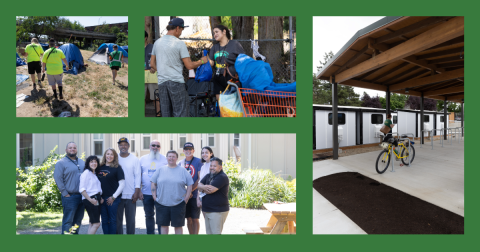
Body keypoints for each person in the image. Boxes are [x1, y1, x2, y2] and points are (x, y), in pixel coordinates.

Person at [149, 18, 208, 117]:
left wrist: (163, 72)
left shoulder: (157, 42)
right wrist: (202, 61)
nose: (181, 32)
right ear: (177, 28)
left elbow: (152, 64)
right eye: (181, 29)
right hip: (176, 82)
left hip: (162, 83)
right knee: (180, 114)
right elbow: (189, 65)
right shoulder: (179, 43)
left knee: (166, 114)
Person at [151, 150, 193, 235]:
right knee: (163, 226)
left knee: (178, 226)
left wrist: (186, 198)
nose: (171, 158)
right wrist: (154, 197)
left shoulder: (183, 170)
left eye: (173, 156)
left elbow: (190, 184)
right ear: (166, 158)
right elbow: (153, 183)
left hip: (178, 203)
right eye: (169, 156)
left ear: (177, 158)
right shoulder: (160, 170)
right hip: (162, 203)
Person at [53, 142, 85, 234]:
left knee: (77, 222)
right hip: (69, 197)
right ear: (66, 150)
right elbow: (58, 178)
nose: (72, 149)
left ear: (77, 149)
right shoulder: (61, 163)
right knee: (68, 221)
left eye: (74, 148)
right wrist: (65, 193)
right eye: (70, 148)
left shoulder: (82, 162)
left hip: (82, 197)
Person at [208, 25, 246, 101]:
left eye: (216, 32)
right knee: (221, 105)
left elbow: (243, 60)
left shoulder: (235, 44)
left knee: (231, 104)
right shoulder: (214, 47)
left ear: (224, 31)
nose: (214, 34)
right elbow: (211, 63)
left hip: (231, 77)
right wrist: (205, 58)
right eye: (213, 33)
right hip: (218, 77)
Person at [139, 140, 167, 234]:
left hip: (161, 193)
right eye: (153, 145)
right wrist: (139, 191)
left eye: (157, 146)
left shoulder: (165, 159)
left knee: (161, 216)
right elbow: (138, 175)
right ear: (149, 146)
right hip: (146, 193)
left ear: (160, 148)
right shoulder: (142, 159)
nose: (155, 147)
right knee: (148, 215)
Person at [197, 157, 230, 234]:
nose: (212, 168)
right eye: (211, 166)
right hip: (208, 209)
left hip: (217, 210)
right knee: (209, 233)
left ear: (220, 167)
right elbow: (198, 186)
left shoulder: (221, 177)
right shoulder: (208, 175)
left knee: (215, 233)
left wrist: (202, 188)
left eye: (214, 166)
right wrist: (204, 187)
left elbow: (210, 191)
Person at [116, 137, 141, 234]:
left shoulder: (134, 159)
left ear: (129, 146)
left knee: (131, 221)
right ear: (118, 146)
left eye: (125, 144)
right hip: (118, 195)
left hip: (131, 195)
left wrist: (137, 192)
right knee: (118, 221)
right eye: (121, 144)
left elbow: (138, 176)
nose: (123, 146)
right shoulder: (115, 158)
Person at [97, 148, 125, 234]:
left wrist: (113, 197)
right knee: (104, 221)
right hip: (102, 199)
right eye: (108, 154)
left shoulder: (117, 168)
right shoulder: (100, 167)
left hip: (113, 199)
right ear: (105, 155)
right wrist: (99, 197)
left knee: (112, 220)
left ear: (114, 157)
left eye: (111, 154)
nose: (109, 156)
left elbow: (122, 184)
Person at [177, 142, 202, 234]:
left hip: (194, 195)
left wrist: (190, 190)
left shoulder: (199, 161)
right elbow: (178, 180)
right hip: (185, 196)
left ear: (193, 151)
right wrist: (186, 192)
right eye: (186, 149)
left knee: (195, 218)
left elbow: (199, 178)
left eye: (190, 149)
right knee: (188, 218)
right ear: (183, 151)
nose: (188, 151)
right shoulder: (180, 163)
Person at [79, 155, 104, 235]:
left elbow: (96, 188)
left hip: (96, 199)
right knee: (97, 224)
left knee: (92, 223)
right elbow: (82, 189)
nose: (94, 163)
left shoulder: (94, 174)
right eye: (91, 162)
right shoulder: (86, 173)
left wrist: (100, 197)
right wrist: (91, 200)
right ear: (88, 163)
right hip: (90, 199)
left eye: (95, 162)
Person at [145, 31, 160, 114]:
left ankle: (158, 115)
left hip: (152, 74)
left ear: (146, 37)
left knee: (155, 96)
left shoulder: (153, 47)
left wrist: (155, 68)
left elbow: (159, 59)